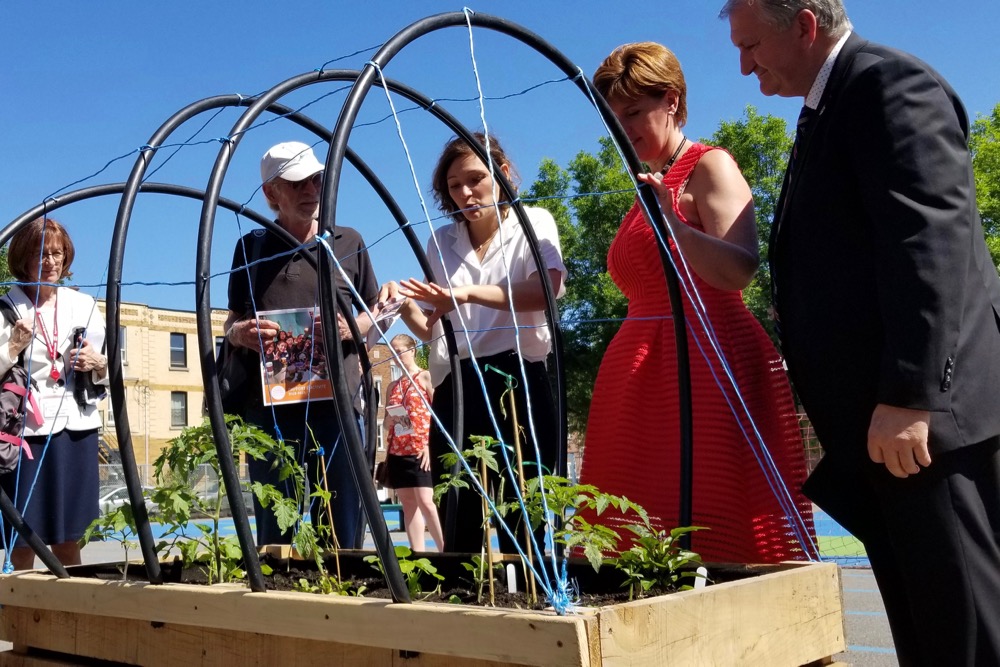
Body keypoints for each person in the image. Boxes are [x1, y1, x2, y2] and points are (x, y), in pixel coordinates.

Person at [721, 1, 1000, 664]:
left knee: (968, 633)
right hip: (887, 434)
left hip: (925, 428)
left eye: (752, 44)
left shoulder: (887, 85)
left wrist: (911, 392)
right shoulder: (829, 108)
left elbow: (929, 241)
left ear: (805, 26)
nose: (742, 65)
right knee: (931, 634)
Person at [578, 42, 814, 564]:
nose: (625, 129)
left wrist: (675, 227)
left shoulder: (710, 165)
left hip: (706, 366)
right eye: (615, 118)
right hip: (642, 375)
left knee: (712, 516)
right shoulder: (650, 184)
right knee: (629, 522)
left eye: (635, 112)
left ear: (672, 101)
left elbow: (738, 270)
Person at [394, 133, 567, 554]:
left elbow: (546, 288)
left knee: (526, 503)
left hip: (519, 379)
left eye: (475, 179)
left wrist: (466, 293)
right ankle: (462, 603)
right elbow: (436, 329)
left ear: (502, 174)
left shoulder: (533, 222)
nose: (466, 193)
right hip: (459, 384)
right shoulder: (441, 242)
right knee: (460, 505)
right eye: (454, 186)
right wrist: (401, 304)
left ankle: (531, 595)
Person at [225, 141, 381, 549]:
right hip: (273, 413)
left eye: (317, 179)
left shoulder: (349, 242)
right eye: (297, 183)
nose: (312, 190)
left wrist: (352, 327)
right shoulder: (250, 248)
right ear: (271, 194)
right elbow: (231, 320)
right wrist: (240, 334)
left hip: (339, 407)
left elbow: (374, 312)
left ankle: (344, 605)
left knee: (341, 528)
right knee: (276, 529)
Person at [0, 217, 109, 570]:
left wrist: (98, 363)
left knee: (70, 538)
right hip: (24, 435)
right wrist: (12, 347)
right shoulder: (6, 308)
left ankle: (75, 607)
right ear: (22, 258)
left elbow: (110, 373)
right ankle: (22, 612)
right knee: (22, 539)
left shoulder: (84, 306)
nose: (50, 262)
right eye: (40, 254)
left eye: (57, 254)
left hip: (76, 431)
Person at [382, 333, 444, 552]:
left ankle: (446, 550)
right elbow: (388, 426)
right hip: (399, 450)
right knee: (409, 505)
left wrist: (430, 445)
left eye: (399, 351)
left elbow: (439, 416)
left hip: (420, 448)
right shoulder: (393, 387)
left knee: (426, 501)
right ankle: (418, 554)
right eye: (393, 352)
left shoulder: (425, 377)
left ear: (412, 350)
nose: (396, 357)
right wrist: (389, 421)